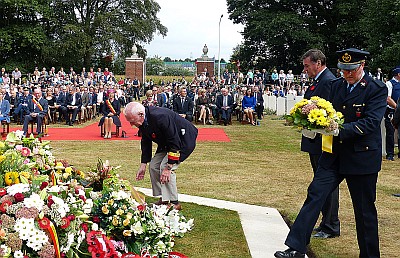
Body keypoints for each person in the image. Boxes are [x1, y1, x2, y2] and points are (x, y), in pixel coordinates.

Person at [275, 48, 387, 258]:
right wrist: (311, 120)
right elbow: (324, 109)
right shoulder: (335, 85)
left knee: (364, 211)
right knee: (315, 196)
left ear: (362, 66)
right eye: (344, 70)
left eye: (351, 70)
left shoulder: (375, 88)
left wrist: (339, 129)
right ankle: (296, 247)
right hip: (334, 153)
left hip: (361, 156)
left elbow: (371, 122)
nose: (347, 74)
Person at [124, 102, 198, 210]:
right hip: (166, 142)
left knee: (165, 167)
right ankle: (163, 198)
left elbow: (175, 142)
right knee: (153, 166)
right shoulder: (144, 119)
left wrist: (169, 167)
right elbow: (146, 142)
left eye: (132, 121)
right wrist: (143, 164)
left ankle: (174, 202)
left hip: (183, 140)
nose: (131, 125)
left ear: (141, 114)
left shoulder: (160, 117)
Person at [300, 49, 340, 239]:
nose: (305, 69)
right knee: (320, 182)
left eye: (307, 65)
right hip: (315, 139)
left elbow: (329, 109)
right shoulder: (319, 81)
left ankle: (330, 225)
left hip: (323, 141)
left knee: (326, 183)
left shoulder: (328, 81)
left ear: (318, 63)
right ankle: (326, 222)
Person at [384, 67, 400, 160]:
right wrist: (397, 108)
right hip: (392, 111)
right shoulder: (389, 84)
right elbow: (388, 98)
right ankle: (390, 153)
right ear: (398, 74)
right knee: (390, 132)